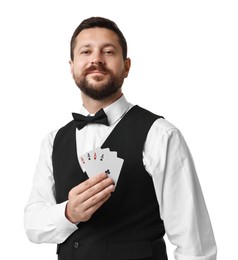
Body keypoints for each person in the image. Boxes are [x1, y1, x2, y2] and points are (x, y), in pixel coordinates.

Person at [24, 17, 217, 260]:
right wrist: (69, 213)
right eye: (86, 51)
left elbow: (194, 244)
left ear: (126, 66)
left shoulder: (160, 135)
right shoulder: (53, 141)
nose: (96, 59)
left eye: (108, 51)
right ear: (72, 66)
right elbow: (33, 224)